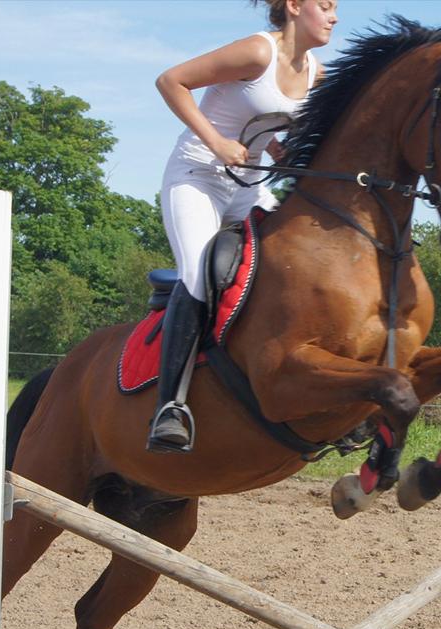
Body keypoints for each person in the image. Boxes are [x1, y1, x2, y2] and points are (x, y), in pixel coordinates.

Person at [149, 0, 338, 453]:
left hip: (250, 187)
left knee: (290, 266)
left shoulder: (318, 74)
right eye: (326, 5)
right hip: (197, 177)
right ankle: (170, 406)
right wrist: (215, 140)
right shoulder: (258, 52)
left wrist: (274, 148)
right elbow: (170, 80)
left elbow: (265, 119)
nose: (334, 16)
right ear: (294, 6)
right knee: (199, 275)